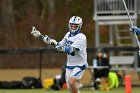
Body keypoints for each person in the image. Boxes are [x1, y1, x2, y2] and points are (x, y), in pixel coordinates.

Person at [31, 16, 88, 93]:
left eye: (75, 25)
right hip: (70, 64)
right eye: (71, 24)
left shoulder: (81, 37)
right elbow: (60, 45)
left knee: (71, 83)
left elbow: (70, 50)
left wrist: (57, 45)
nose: (73, 27)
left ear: (79, 26)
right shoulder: (68, 35)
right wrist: (45, 39)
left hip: (80, 64)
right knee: (69, 87)